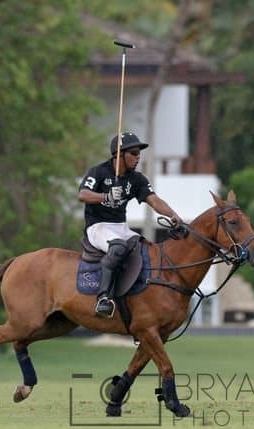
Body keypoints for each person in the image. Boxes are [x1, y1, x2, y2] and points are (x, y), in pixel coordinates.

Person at [76, 132, 183, 317]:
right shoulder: (99, 172)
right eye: (133, 152)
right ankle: (103, 299)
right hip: (98, 226)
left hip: (120, 227)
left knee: (146, 249)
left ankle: (139, 296)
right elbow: (83, 195)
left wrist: (172, 214)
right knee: (118, 247)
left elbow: (154, 200)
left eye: (139, 153)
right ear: (119, 154)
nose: (137, 157)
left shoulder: (137, 179)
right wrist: (106, 196)